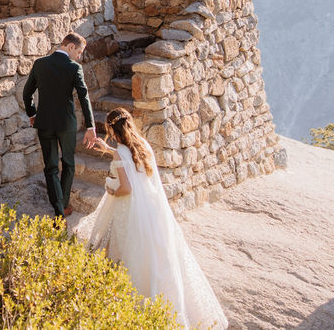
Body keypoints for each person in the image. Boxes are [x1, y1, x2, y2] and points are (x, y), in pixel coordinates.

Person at [76, 107, 228, 330]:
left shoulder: (121, 152)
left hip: (131, 210)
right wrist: (108, 149)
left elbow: (126, 188)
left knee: (127, 252)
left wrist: (111, 189)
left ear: (111, 129)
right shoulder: (143, 146)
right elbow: (130, 162)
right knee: (157, 258)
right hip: (153, 211)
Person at [23, 32, 96, 218]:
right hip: (66, 124)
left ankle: (58, 209)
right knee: (69, 164)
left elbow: (27, 93)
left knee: (50, 167)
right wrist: (90, 127)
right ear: (70, 46)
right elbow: (83, 96)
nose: (78, 56)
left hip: (44, 123)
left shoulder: (40, 64)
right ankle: (62, 205)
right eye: (78, 52)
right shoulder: (74, 68)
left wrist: (33, 114)